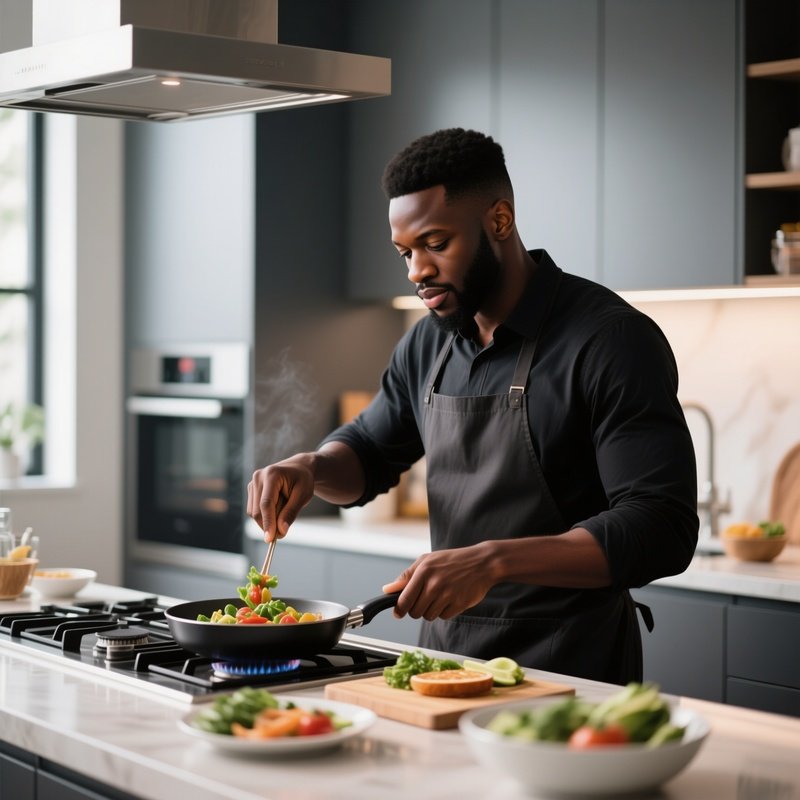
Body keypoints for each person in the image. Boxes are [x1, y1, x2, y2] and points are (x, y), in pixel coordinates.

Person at [247, 127, 698, 685]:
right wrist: (312, 468)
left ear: (499, 221)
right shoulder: (428, 341)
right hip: (447, 665)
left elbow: (660, 529)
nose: (416, 271)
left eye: (436, 244)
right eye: (405, 252)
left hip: (572, 672)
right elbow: (367, 454)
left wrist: (492, 562)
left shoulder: (609, 339)